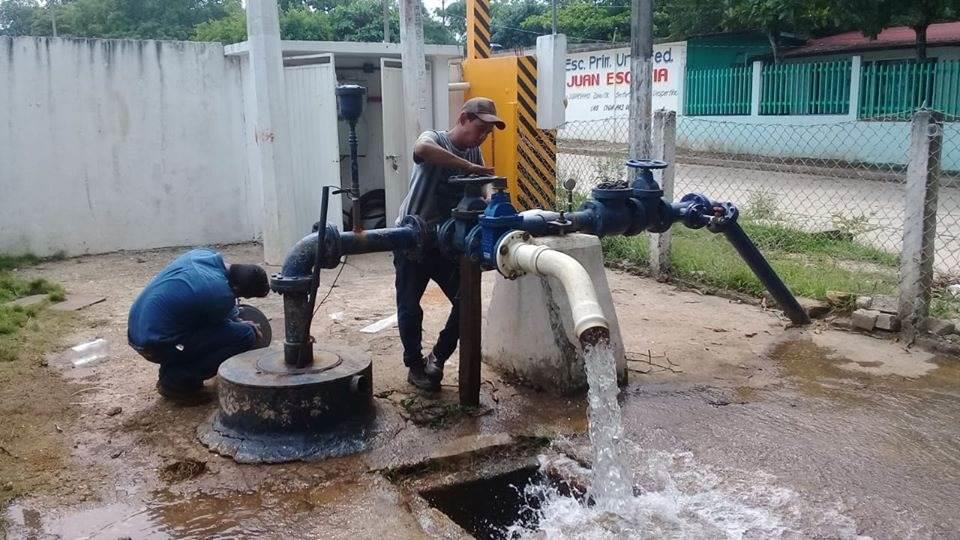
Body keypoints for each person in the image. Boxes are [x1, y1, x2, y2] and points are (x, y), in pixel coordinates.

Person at [393, 97, 505, 391]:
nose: (481, 137)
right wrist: (467, 165)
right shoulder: (435, 138)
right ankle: (414, 366)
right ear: (464, 118)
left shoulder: (475, 152)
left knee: (465, 301)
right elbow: (421, 150)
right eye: (479, 129)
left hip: (444, 243)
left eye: (486, 134)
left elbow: (484, 182)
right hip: (411, 238)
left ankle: (438, 356)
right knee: (409, 306)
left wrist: (491, 196)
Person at [127, 248, 270, 401]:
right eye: (241, 296)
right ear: (236, 288)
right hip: (155, 346)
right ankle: (176, 382)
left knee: (205, 327)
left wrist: (235, 319)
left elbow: (222, 315)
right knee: (245, 336)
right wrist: (243, 325)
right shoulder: (218, 293)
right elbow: (227, 321)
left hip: (138, 331)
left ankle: (173, 370)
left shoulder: (203, 255)